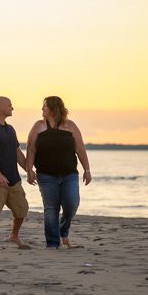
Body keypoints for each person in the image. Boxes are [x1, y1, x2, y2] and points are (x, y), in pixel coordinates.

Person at [26, 96, 91, 249]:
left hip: (69, 174)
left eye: (45, 107)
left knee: (72, 204)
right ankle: (52, 243)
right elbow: (31, 149)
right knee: (51, 208)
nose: (42, 110)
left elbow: (80, 148)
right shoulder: (38, 126)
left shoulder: (70, 126)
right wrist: (29, 170)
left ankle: (64, 229)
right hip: (46, 175)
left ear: (54, 109)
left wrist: (87, 169)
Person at [0, 96, 31, 250]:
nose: (12, 108)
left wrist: (29, 170)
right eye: (9, 105)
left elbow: (17, 152)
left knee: (22, 209)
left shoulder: (10, 129)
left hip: (13, 179)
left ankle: (14, 235)